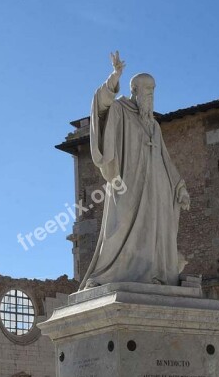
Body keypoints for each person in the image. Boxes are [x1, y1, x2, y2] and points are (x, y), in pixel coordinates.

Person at [81, 51, 190, 289]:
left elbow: (165, 158)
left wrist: (179, 186)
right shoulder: (121, 110)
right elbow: (100, 106)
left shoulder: (154, 125)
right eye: (147, 91)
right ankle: (108, 274)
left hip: (156, 185)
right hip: (126, 181)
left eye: (153, 91)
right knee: (121, 225)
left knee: (154, 229)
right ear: (135, 91)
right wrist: (114, 77)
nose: (151, 96)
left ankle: (152, 272)